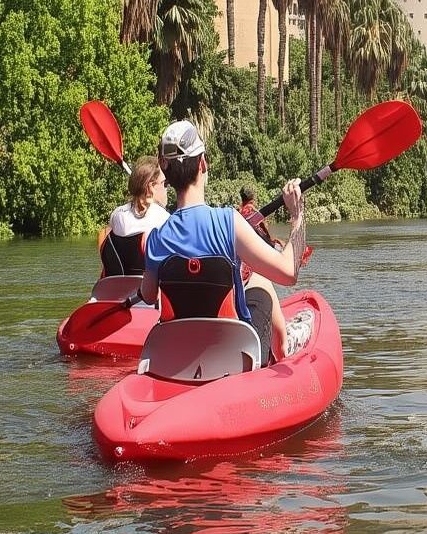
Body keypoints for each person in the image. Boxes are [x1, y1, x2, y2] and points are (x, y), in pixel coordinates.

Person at [139, 120, 307, 365]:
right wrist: (297, 215)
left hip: (178, 356)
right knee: (261, 280)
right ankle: (283, 347)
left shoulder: (156, 239)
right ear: (203, 163)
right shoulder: (229, 221)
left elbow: (148, 294)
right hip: (233, 355)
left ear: (167, 174)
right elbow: (289, 272)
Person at [100, 156, 169, 277]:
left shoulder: (116, 215)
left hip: (115, 288)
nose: (166, 189)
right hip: (147, 291)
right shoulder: (163, 218)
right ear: (151, 187)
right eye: (164, 183)